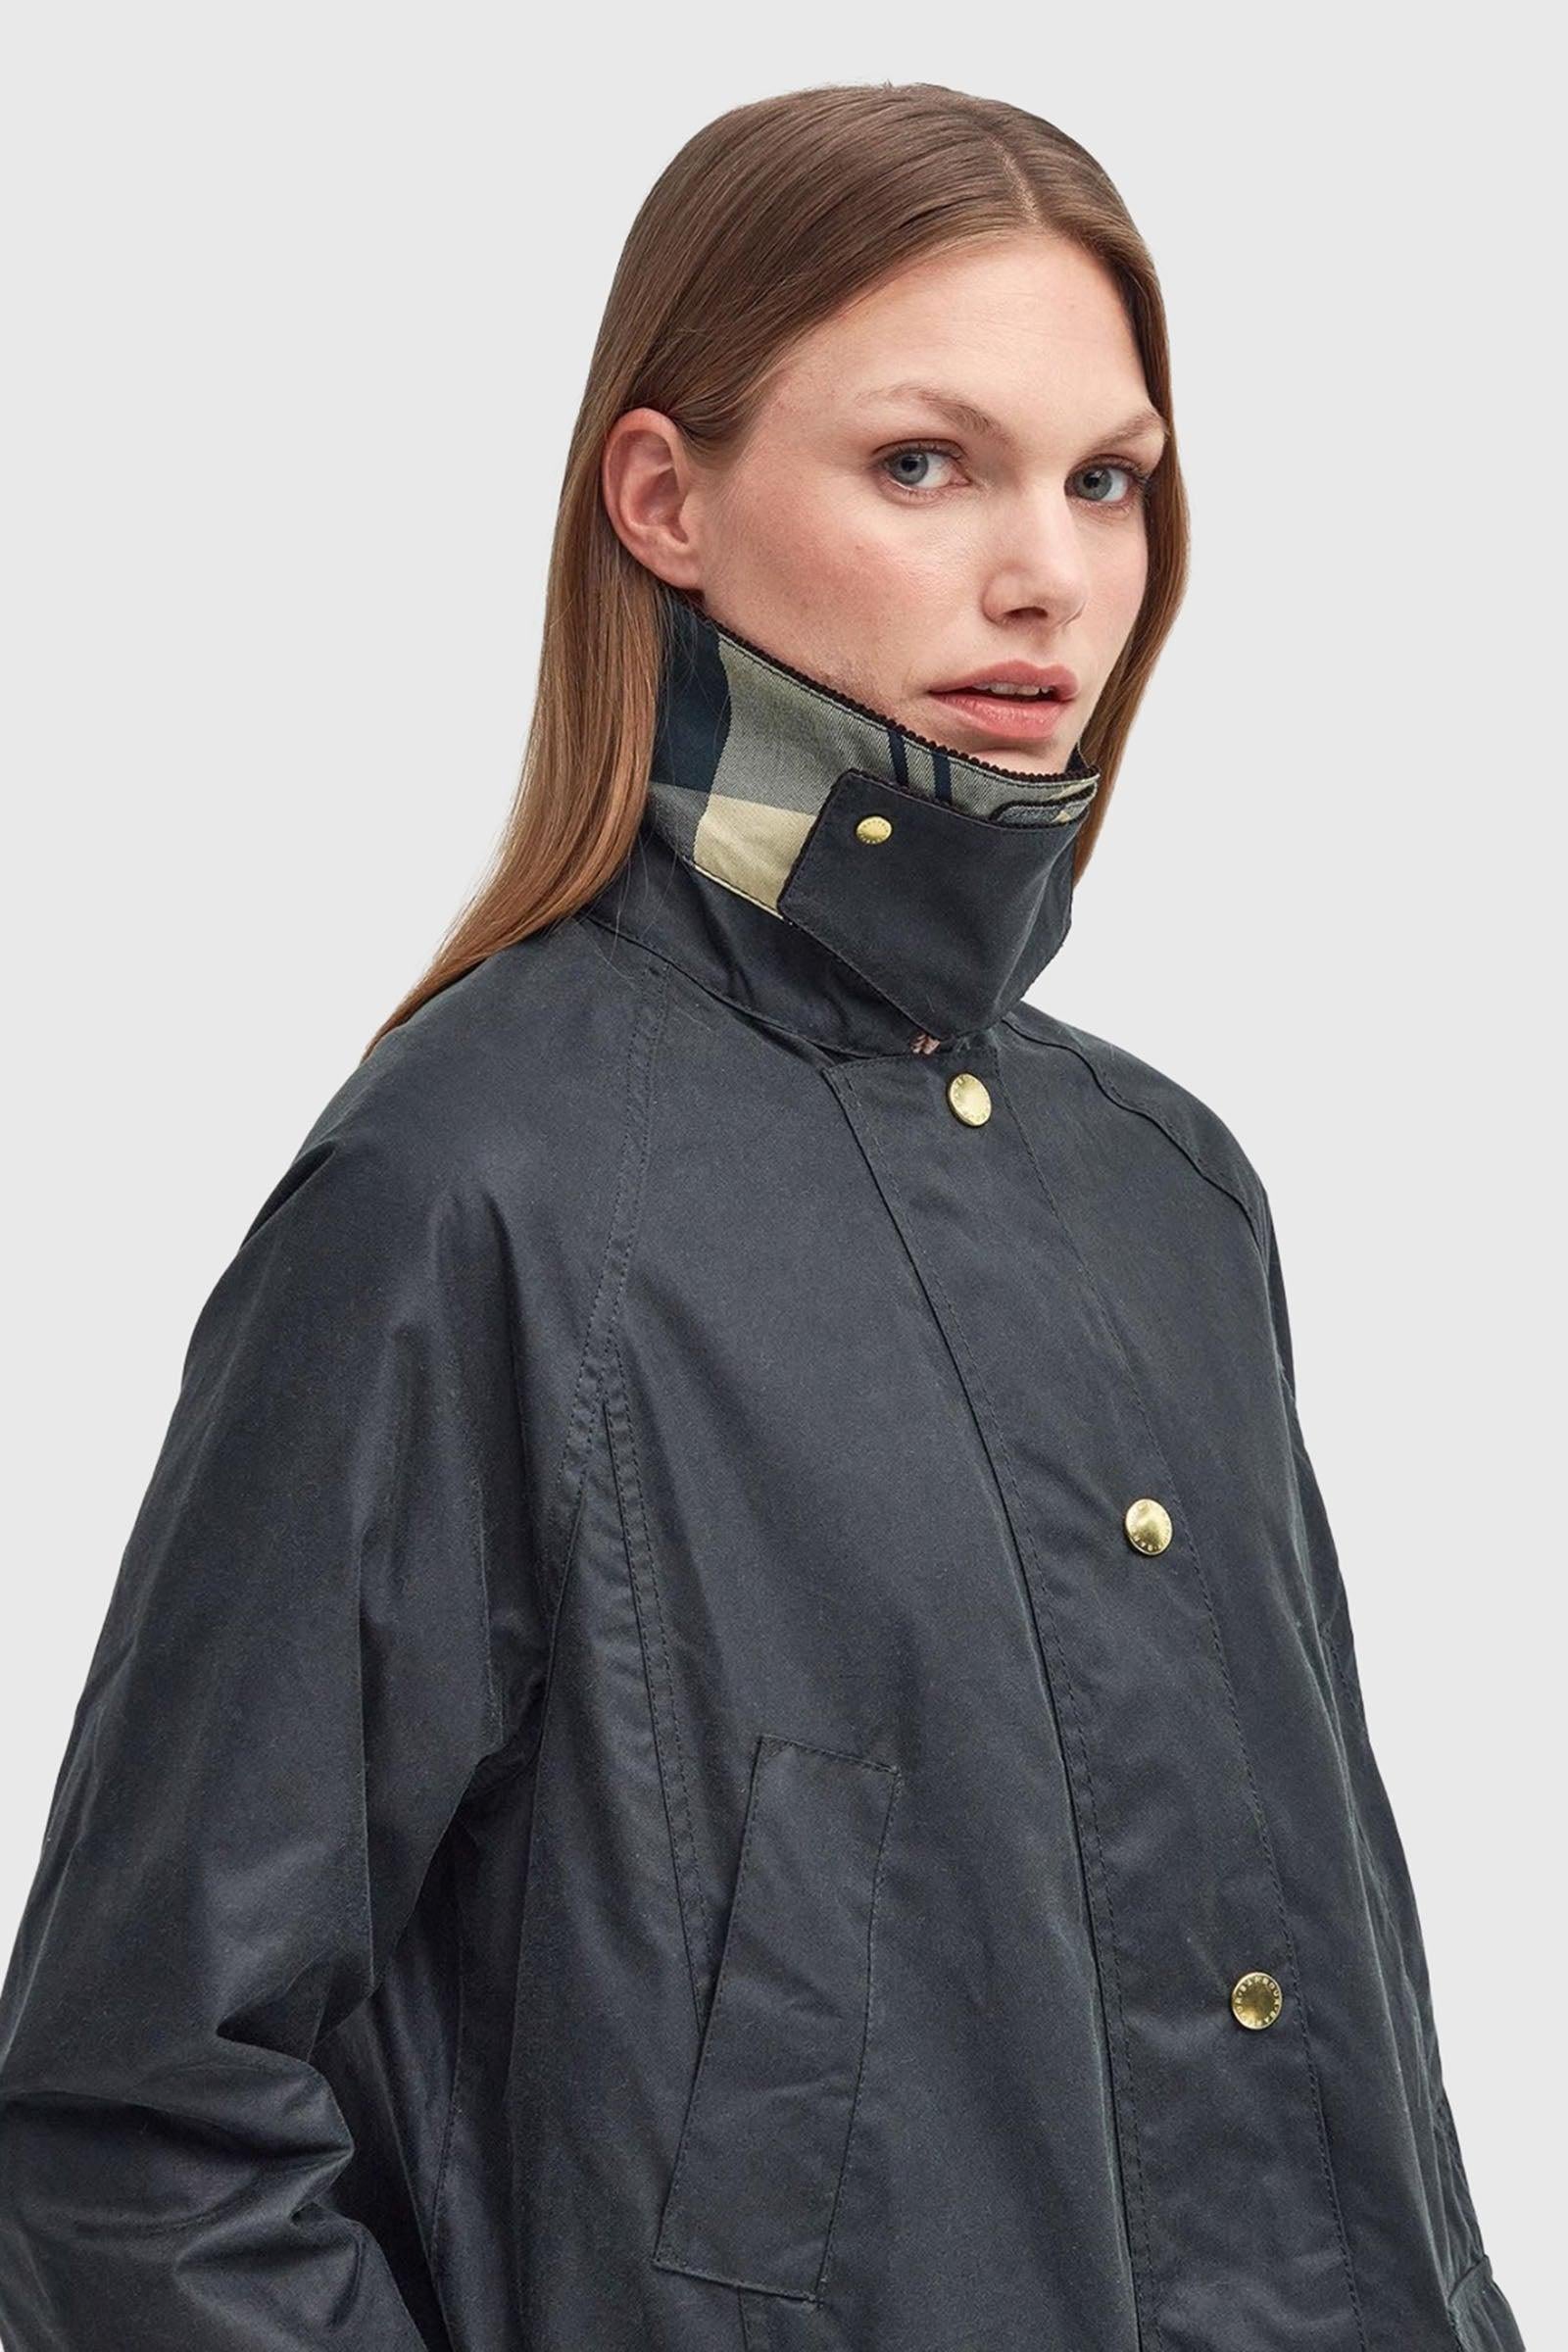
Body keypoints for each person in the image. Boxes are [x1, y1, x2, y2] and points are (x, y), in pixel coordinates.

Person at [0, 80, 1527, 2352]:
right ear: (664, 499)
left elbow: (1335, 2053)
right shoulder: (475, 1180)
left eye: (1104, 478)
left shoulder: (1167, 1191)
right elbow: (140, 2130)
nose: (1047, 573)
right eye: (921, 464)